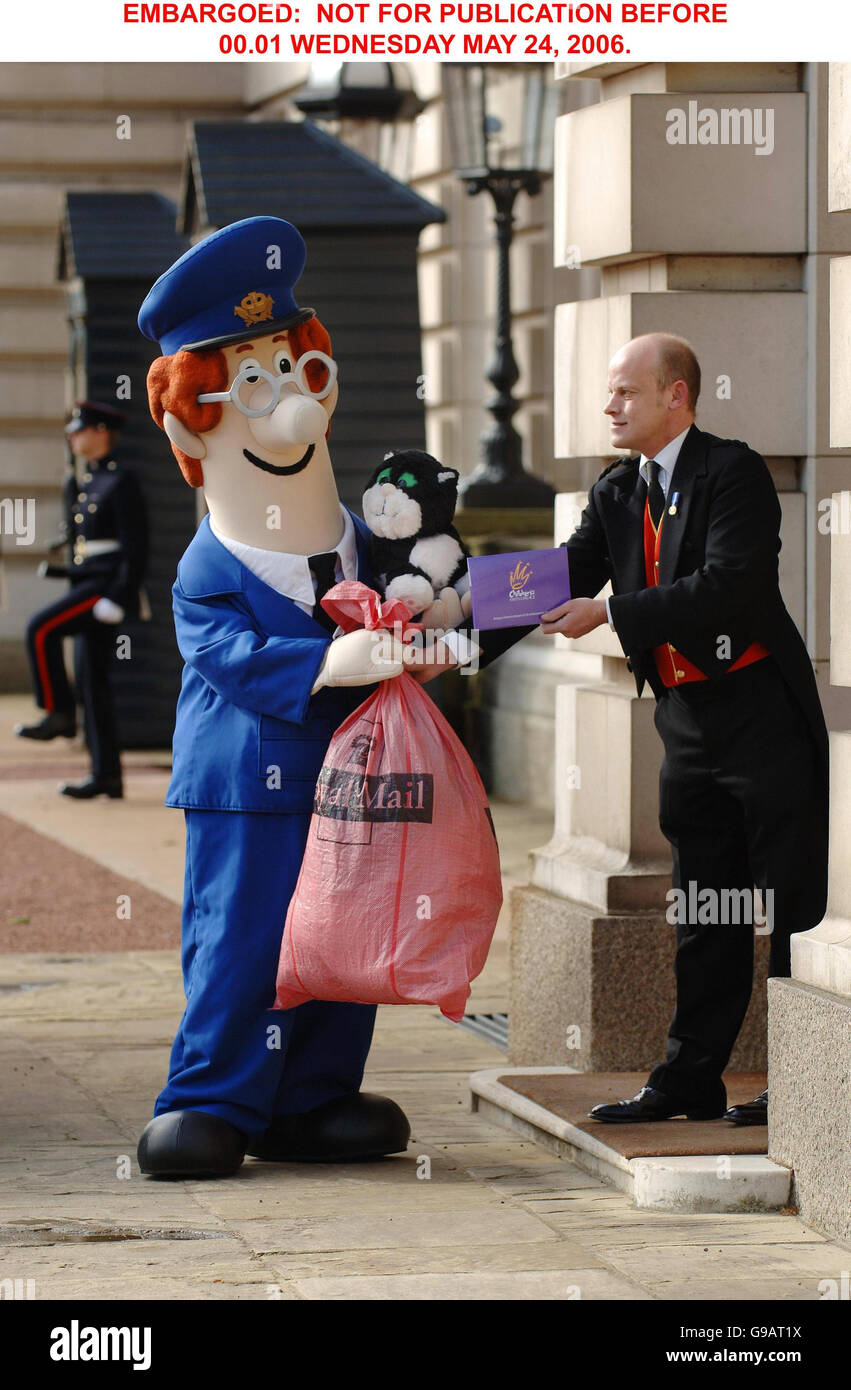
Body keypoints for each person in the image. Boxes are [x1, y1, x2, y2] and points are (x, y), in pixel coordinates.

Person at [134, 216, 434, 1179]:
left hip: (348, 777)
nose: (290, 406)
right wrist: (322, 667)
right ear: (195, 419)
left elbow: (426, 597)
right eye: (250, 380)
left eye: (295, 370)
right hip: (247, 784)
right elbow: (223, 654)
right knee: (247, 939)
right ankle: (212, 1096)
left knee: (343, 934)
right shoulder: (205, 566)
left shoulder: (360, 539)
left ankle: (312, 1096)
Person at [534, 333, 829, 1128]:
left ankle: (803, 1075)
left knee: (788, 904)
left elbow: (730, 586)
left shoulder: (733, 472)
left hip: (760, 715)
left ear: (677, 397)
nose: (609, 407)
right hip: (687, 724)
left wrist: (613, 612)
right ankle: (688, 1079)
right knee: (705, 906)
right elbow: (564, 574)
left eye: (626, 392)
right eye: (609, 392)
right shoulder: (618, 490)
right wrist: (453, 618)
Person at [15, 400, 149, 800]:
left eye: (80, 430)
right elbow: (80, 547)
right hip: (84, 583)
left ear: (102, 432)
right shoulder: (81, 482)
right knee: (93, 684)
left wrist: (119, 597)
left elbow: (135, 547)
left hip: (103, 588)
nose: (72, 437)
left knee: (39, 630)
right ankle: (106, 774)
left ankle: (57, 713)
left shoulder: (121, 481)